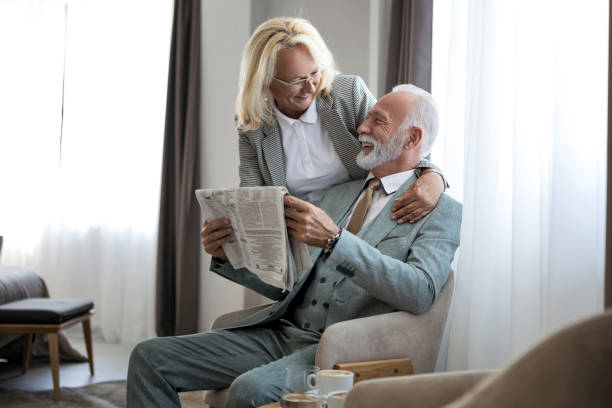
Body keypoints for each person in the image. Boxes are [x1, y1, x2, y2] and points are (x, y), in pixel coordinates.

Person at [126, 85, 462, 407]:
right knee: (149, 357)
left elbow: (420, 292)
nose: (362, 127)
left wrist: (336, 241)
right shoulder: (338, 194)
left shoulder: (443, 211)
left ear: (413, 137)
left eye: (378, 121)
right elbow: (290, 281)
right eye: (367, 117)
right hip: (281, 333)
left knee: (250, 390)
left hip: (342, 350)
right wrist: (228, 254)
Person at [236, 17, 445, 224]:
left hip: (358, 222)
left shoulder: (347, 94)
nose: (310, 87)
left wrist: (434, 176)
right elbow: (252, 196)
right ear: (264, 80)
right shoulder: (253, 122)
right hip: (296, 231)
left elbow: (396, 142)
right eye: (297, 80)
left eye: (314, 73)